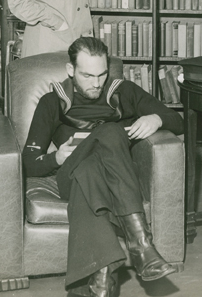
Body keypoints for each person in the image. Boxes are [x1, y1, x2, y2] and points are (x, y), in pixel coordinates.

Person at [22, 37, 182, 296]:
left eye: (102, 74)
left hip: (112, 180)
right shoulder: (52, 102)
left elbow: (177, 120)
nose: (96, 83)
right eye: (87, 75)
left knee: (92, 170)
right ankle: (141, 245)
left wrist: (156, 118)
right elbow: (28, 163)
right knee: (110, 132)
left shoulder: (124, 91)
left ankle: (100, 284)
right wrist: (57, 158)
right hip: (69, 175)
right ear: (71, 70)